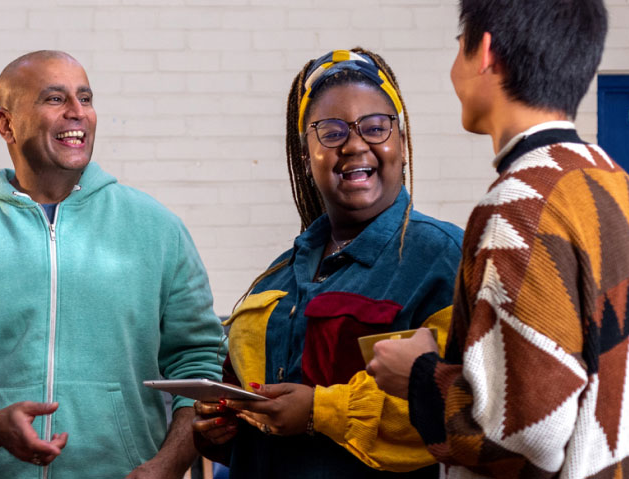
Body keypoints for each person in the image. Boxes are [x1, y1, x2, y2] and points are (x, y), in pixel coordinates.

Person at [367, 1, 629, 477]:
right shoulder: (621, 189)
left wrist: (418, 375)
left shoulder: (521, 205)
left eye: (459, 47)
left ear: (485, 52)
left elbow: (520, 435)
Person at [0, 50, 224, 478]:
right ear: (6, 124)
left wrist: (167, 466)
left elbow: (201, 366)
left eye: (85, 98)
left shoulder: (157, 229)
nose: (77, 113)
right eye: (55, 99)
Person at [189, 48, 460, 479]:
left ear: (402, 145)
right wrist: (217, 426)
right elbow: (246, 421)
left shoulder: (443, 259)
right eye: (331, 133)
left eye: (375, 127)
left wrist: (320, 411)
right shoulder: (275, 279)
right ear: (304, 156)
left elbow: (460, 411)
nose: (355, 145)